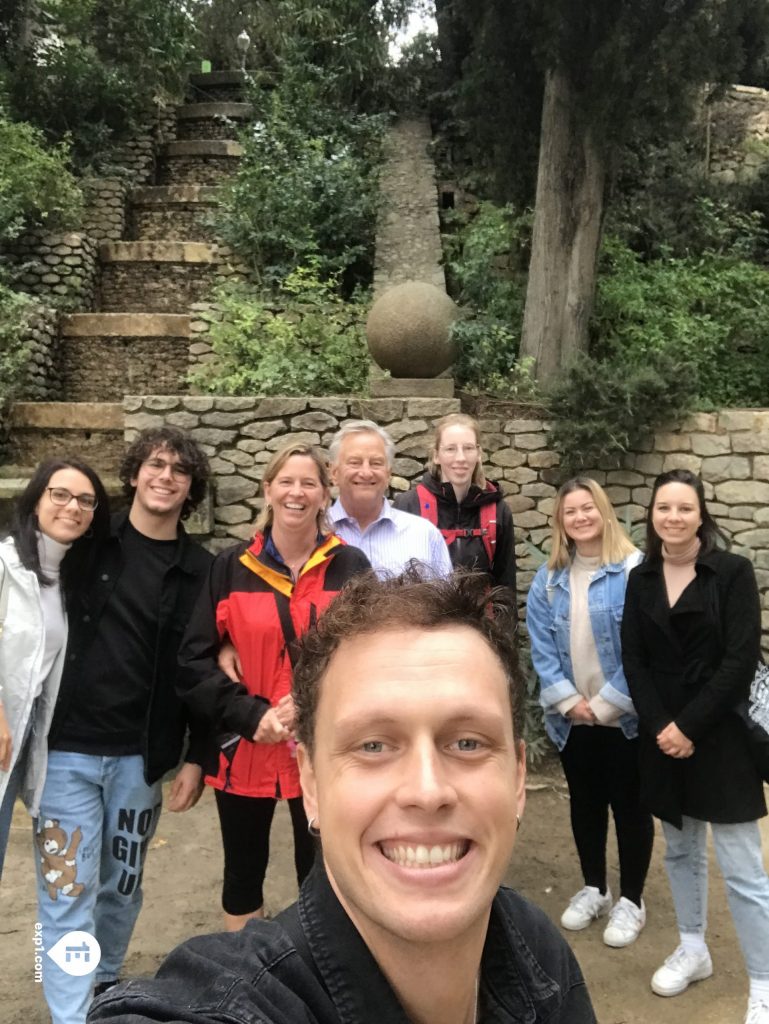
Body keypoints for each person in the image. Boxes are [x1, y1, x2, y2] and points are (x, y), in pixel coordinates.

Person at [90, 570, 596, 1024]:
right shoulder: (237, 1003)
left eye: (468, 743)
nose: (427, 791)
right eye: (373, 746)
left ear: (517, 777)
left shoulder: (534, 947)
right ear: (310, 784)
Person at [37, 426, 213, 1024]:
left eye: (180, 470)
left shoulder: (201, 570)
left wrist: (199, 756)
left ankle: (104, 983)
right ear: (134, 474)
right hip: (65, 752)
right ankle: (71, 1014)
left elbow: (202, 670)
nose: (166, 476)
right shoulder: (86, 542)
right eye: (155, 464)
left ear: (191, 488)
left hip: (142, 759)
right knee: (66, 889)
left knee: (122, 884)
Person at [178, 442, 371, 932]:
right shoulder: (231, 567)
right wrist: (250, 716)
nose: (296, 493)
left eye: (308, 483)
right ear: (268, 490)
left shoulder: (351, 566)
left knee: (324, 871)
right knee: (243, 872)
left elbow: (370, 655)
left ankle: (319, 965)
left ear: (325, 496)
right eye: (286, 481)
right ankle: (249, 970)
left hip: (324, 747)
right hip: (245, 749)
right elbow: (194, 661)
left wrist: (311, 703)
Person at [622, 468, 769, 1023]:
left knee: (742, 868)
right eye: (664, 507)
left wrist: (688, 727)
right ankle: (693, 948)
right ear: (652, 514)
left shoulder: (731, 573)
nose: (674, 517)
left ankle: (764, 981)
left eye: (685, 508)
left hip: (720, 735)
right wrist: (663, 726)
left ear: (701, 514)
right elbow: (633, 658)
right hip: (663, 735)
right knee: (680, 851)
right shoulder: (641, 576)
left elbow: (740, 659)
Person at [526, 477, 652, 948]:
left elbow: (644, 650)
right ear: (560, 521)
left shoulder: (635, 571)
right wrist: (570, 703)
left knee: (631, 807)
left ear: (603, 511)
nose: (580, 517)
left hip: (625, 718)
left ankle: (633, 900)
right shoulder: (549, 580)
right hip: (573, 719)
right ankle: (595, 888)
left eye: (587, 508)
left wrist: (603, 705)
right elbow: (542, 649)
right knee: (586, 803)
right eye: (570, 511)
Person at [0, 458, 110, 879]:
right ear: (35, 501)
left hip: (20, 741)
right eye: (60, 494)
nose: (72, 507)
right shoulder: (5, 564)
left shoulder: (63, 579)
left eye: (85, 500)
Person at [393, 412, 517, 606]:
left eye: (468, 448)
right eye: (450, 449)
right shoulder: (408, 506)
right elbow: (394, 582)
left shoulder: (497, 511)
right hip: (424, 620)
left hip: (479, 622)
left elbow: (505, 587)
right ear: (436, 455)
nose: (461, 458)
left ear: (478, 454)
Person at [328, 419, 453, 578]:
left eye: (376, 463)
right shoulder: (312, 534)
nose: (366, 472)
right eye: (355, 462)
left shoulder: (424, 535)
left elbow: (446, 594)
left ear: (388, 474)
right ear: (334, 473)